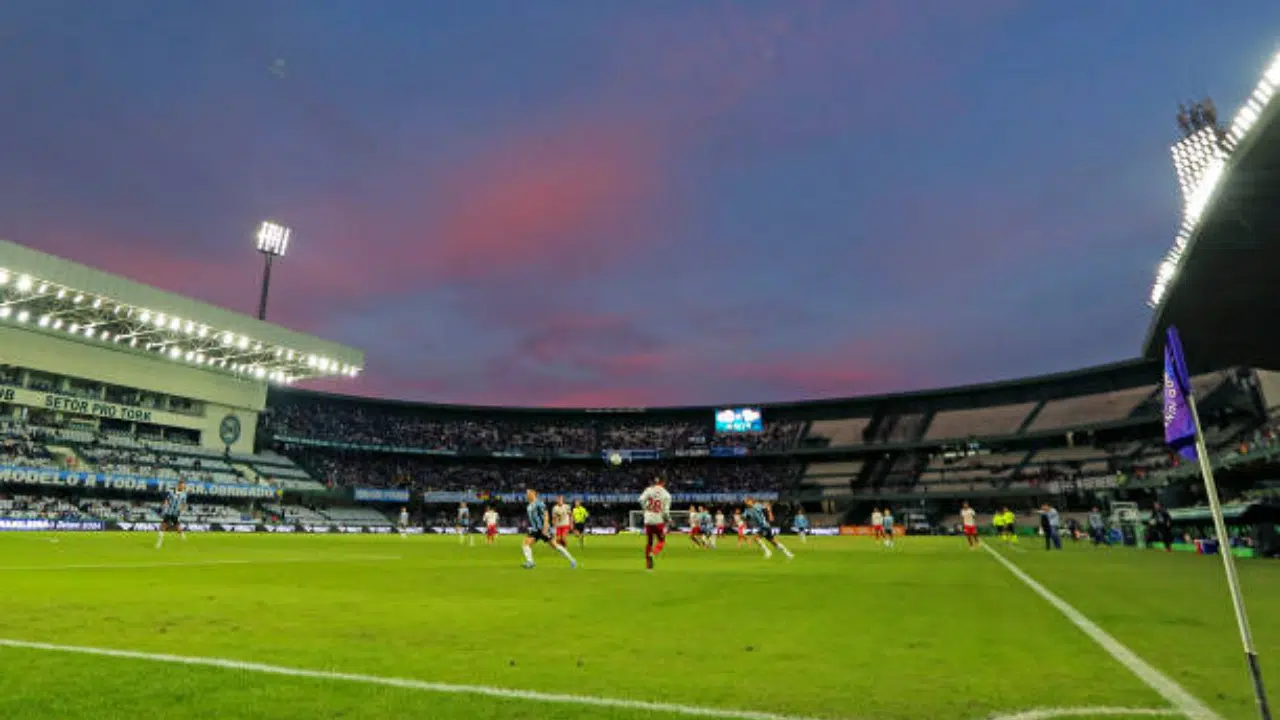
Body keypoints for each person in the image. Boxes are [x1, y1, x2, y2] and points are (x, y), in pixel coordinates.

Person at [521, 489, 576, 569]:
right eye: (527, 494)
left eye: (528, 494)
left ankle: (572, 560)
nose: (527, 496)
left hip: (543, 529)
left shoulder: (539, 503)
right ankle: (530, 562)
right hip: (535, 530)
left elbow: (546, 514)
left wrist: (546, 527)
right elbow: (532, 517)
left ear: (533, 494)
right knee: (525, 544)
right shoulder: (529, 506)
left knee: (555, 545)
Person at [639, 477, 672, 570]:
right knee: (661, 541)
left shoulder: (649, 490)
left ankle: (648, 564)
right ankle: (653, 553)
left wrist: (645, 509)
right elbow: (665, 512)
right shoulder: (666, 495)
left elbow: (640, 500)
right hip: (658, 521)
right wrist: (669, 520)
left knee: (649, 542)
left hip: (648, 520)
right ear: (664, 483)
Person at [156, 480, 188, 549]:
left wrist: (182, 510)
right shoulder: (172, 492)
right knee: (163, 526)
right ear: (178, 485)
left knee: (177, 526)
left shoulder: (184, 494)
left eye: (183, 486)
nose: (183, 487)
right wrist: (165, 505)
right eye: (182, 486)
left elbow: (183, 504)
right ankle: (159, 542)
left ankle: (182, 535)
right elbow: (167, 500)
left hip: (176, 513)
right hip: (168, 512)